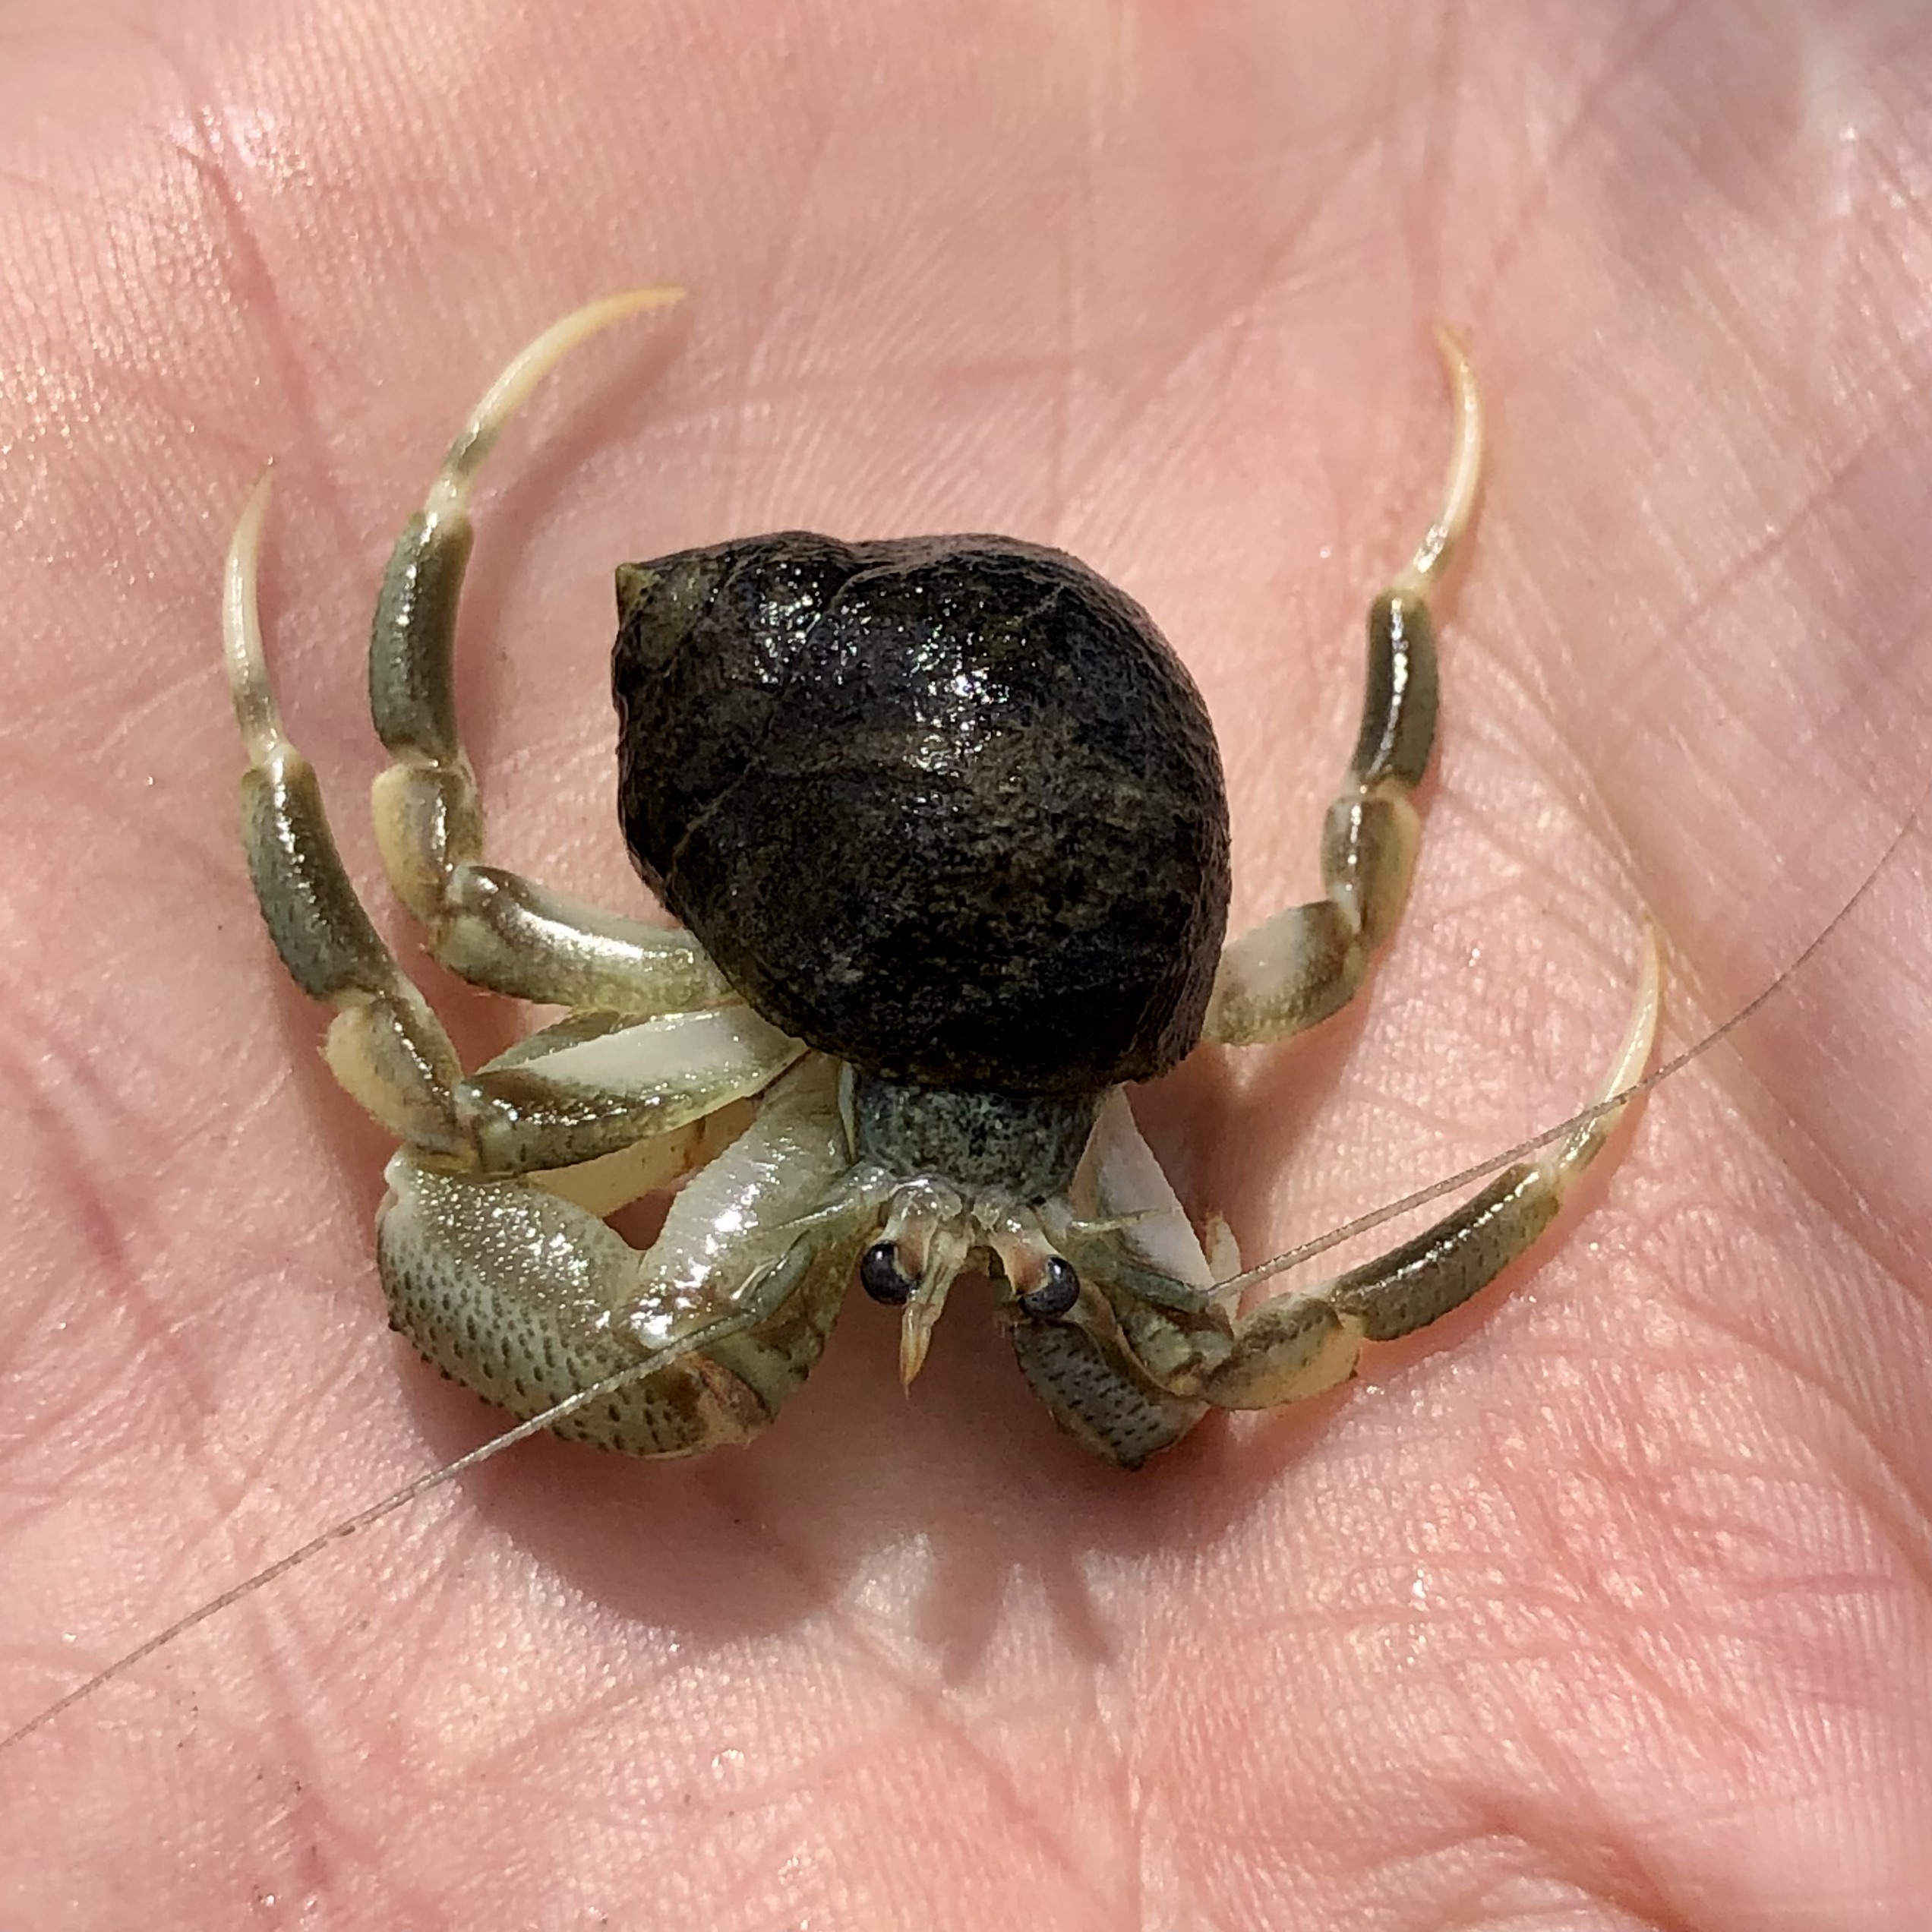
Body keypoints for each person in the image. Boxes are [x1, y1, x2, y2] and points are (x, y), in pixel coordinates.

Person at [3, 3, 1927, 1924]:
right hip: (869, 778)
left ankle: (1428, 629)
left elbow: (1304, 1073)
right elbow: (441, 924)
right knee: (449, 1074)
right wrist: (306, 703)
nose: (923, 1264)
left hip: (984, 828)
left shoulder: (1043, 1161)